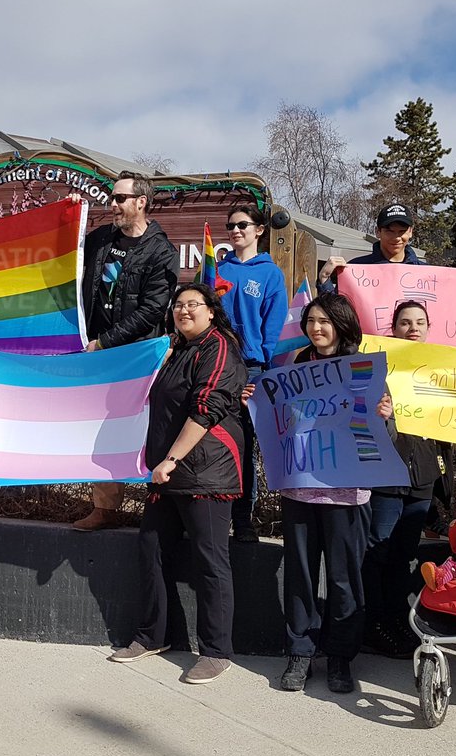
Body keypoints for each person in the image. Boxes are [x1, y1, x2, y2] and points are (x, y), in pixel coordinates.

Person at [108, 283, 246, 684]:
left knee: (210, 561)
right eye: (178, 306)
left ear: (211, 312)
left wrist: (171, 458)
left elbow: (208, 409)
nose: (184, 311)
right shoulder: (173, 350)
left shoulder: (218, 347)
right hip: (167, 472)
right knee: (151, 548)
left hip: (205, 470)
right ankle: (153, 635)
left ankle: (216, 651)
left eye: (193, 305)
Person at [277, 293, 384, 694]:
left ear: (342, 324)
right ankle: (300, 652)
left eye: (324, 321)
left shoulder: (363, 368)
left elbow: (382, 437)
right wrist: (260, 404)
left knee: (344, 580)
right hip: (301, 491)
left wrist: (384, 417)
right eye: (311, 321)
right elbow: (281, 420)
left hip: (348, 494)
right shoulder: (295, 367)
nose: (316, 328)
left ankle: (340, 657)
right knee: (300, 578)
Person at [72, 171, 179, 531]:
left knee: (147, 429)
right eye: (112, 198)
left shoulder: (161, 251)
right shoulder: (101, 239)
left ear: (141, 202)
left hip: (136, 355)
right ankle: (105, 508)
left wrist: (105, 341)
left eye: (119, 199)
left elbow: (152, 310)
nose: (112, 204)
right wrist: (64, 219)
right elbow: (66, 260)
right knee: (104, 430)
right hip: (99, 356)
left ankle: (158, 508)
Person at [363, 301, 448, 658]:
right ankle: (373, 622)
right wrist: (381, 413)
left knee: (402, 554)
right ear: (393, 329)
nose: (413, 328)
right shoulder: (378, 367)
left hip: (423, 475)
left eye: (420, 322)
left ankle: (397, 619)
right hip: (387, 472)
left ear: (429, 327)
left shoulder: (446, 369)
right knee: (377, 550)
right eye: (405, 322)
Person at [214, 203, 288, 544]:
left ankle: (244, 520)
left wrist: (267, 372)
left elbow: (273, 330)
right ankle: (212, 513)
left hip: (252, 368)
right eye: (230, 226)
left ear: (259, 230)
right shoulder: (217, 270)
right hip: (217, 365)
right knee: (213, 438)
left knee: (245, 444)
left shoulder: (270, 274)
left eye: (243, 225)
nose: (235, 231)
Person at [316, 203, 424, 295]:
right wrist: (324, 279)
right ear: (378, 232)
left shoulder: (425, 273)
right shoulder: (357, 268)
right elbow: (336, 311)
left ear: (410, 231)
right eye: (389, 231)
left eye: (402, 231)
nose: (396, 238)